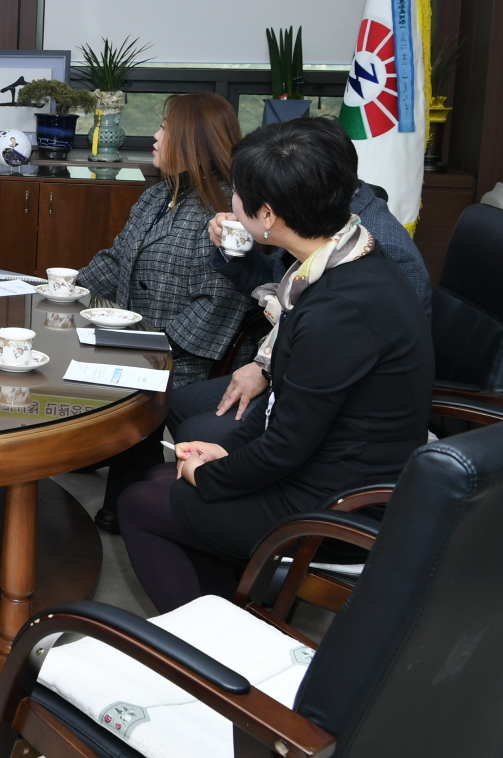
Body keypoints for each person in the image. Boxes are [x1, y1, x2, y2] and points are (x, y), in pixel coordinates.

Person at [117, 119, 434, 612]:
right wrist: (225, 451)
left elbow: (287, 446)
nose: (230, 201)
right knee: (162, 481)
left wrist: (214, 474)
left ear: (266, 214)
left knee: (139, 505)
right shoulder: (349, 256)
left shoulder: (338, 311)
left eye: (238, 193)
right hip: (336, 467)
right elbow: (282, 404)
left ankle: (206, 662)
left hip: (339, 504)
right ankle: (232, 612)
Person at [177, 115, 434, 446]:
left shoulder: (379, 246)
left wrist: (265, 370)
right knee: (180, 402)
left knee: (199, 434)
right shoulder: (318, 223)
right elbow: (276, 281)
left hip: (348, 408)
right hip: (294, 363)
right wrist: (232, 250)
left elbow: (364, 358)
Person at [78, 93, 255, 532]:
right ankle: (88, 452)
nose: (155, 136)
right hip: (136, 336)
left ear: (192, 140)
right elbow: (118, 259)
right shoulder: (159, 194)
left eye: (164, 128)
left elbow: (220, 301)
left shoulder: (228, 210)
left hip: (185, 354)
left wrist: (151, 345)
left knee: (136, 388)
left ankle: (122, 503)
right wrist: (63, 288)